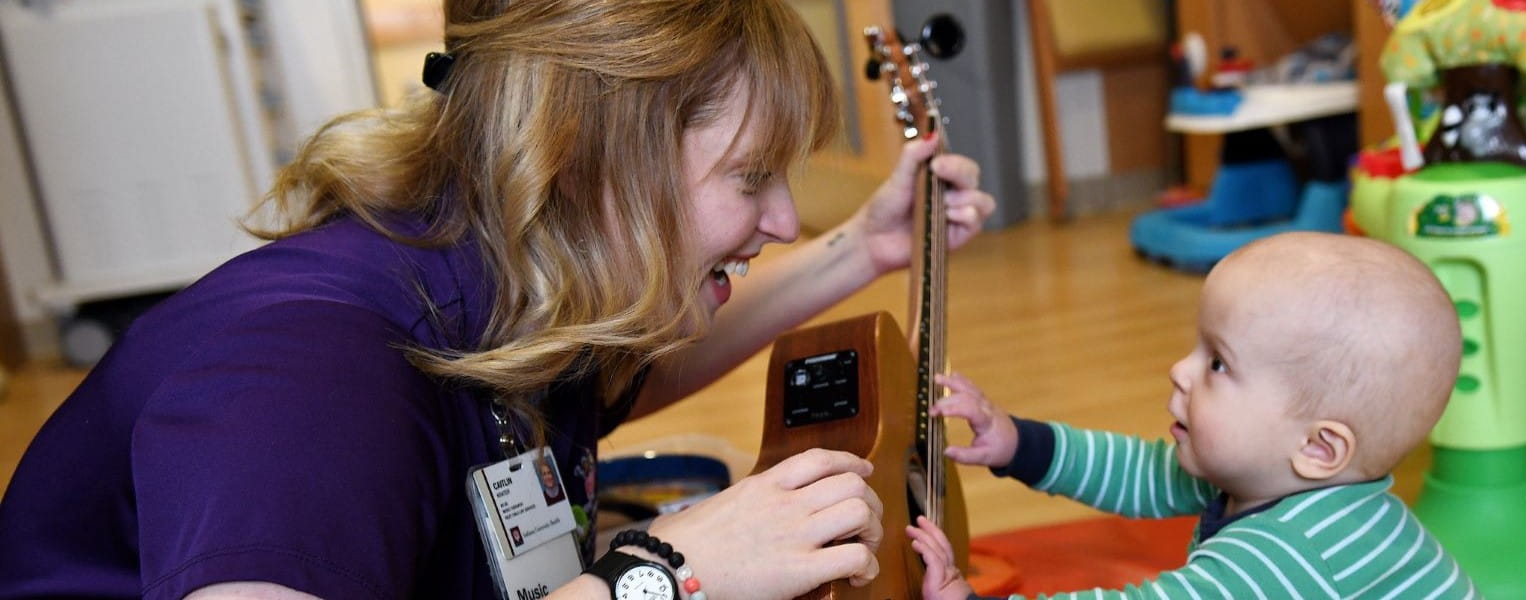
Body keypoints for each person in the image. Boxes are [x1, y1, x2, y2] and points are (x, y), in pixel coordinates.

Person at [0, 1, 995, 599]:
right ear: (585, 159)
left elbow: (609, 384)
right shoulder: (305, 374)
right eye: (749, 176)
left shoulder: (513, 274)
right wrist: (658, 573)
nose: (782, 216)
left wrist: (858, 252)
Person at [906, 233, 1481, 599]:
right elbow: (1138, 474)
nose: (1180, 369)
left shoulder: (1287, 554)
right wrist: (1017, 444)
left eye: (1219, 364)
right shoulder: (1266, 475)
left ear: (1318, 449)